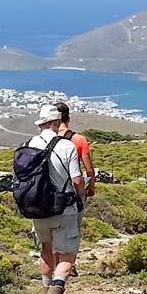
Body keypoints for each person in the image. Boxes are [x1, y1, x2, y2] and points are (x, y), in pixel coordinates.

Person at [27, 104, 86, 294]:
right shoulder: (66, 146)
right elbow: (77, 180)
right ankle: (56, 290)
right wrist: (81, 197)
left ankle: (46, 290)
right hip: (64, 208)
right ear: (55, 123)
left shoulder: (28, 145)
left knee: (46, 249)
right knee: (68, 254)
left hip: (37, 208)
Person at [54, 100, 94, 278]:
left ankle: (55, 265)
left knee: (53, 229)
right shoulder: (79, 140)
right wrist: (90, 186)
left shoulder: (48, 139)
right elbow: (88, 169)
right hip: (72, 191)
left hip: (50, 191)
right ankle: (69, 264)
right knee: (73, 230)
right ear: (68, 118)